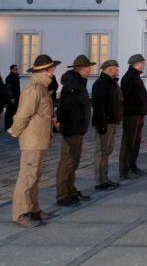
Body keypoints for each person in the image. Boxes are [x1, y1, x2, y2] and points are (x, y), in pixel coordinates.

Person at [9, 54, 61, 228]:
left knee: (35, 177)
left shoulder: (42, 87)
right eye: (52, 69)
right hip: (32, 139)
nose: (54, 71)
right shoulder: (34, 88)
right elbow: (24, 113)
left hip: (39, 138)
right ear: (45, 71)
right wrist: (15, 130)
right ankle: (19, 214)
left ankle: (34, 209)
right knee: (27, 177)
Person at [55, 55, 94, 206]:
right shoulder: (72, 85)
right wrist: (64, 124)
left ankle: (71, 191)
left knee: (74, 162)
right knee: (67, 162)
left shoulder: (78, 83)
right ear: (83, 69)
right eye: (89, 68)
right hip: (71, 129)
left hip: (78, 129)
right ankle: (62, 195)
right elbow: (64, 108)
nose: (90, 70)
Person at [92, 60, 123, 191]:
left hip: (112, 121)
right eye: (116, 69)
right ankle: (100, 180)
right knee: (102, 151)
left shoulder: (111, 83)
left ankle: (105, 177)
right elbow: (99, 105)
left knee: (107, 151)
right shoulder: (102, 83)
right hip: (106, 122)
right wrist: (102, 124)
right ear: (110, 69)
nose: (118, 72)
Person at [120, 54, 147, 180]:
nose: (144, 65)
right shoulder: (129, 78)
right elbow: (127, 98)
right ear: (137, 63)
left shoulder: (135, 77)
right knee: (129, 142)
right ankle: (125, 170)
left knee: (136, 142)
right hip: (131, 114)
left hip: (138, 114)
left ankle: (133, 166)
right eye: (143, 63)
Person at [5, 64, 21, 129]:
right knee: (10, 112)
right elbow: (8, 89)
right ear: (11, 69)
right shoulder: (9, 78)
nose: (17, 70)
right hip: (12, 97)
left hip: (16, 96)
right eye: (15, 69)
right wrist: (11, 98)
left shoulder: (16, 76)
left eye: (17, 69)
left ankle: (13, 125)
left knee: (15, 111)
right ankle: (7, 126)